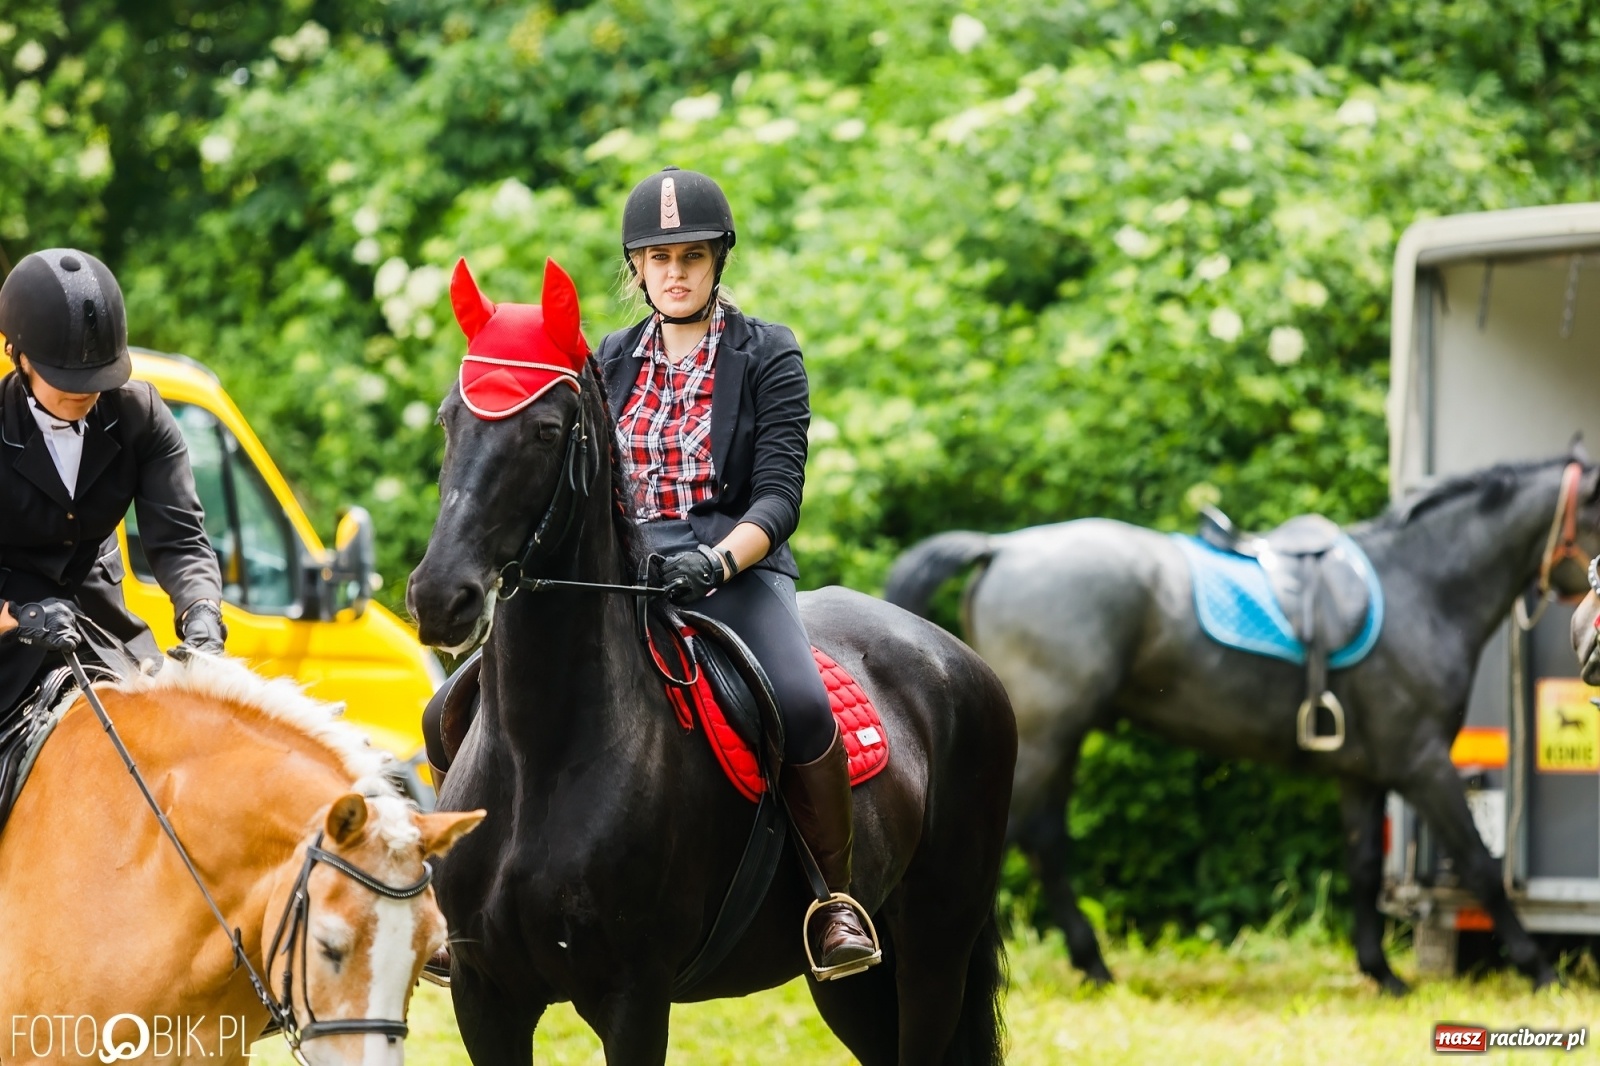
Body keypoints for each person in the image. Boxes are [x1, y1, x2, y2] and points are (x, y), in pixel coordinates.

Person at [598, 166, 879, 979]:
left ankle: (834, 901)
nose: (675, 273)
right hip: (627, 577)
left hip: (734, 568)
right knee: (463, 697)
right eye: (659, 258)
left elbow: (780, 495)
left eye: (691, 255)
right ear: (637, 267)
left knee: (801, 702)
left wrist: (716, 560)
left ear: (718, 259)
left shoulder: (767, 352)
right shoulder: (607, 360)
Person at [0, 248, 225, 721]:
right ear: (17, 356)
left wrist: (201, 611)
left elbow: (180, 540)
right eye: (65, 376)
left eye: (97, 375)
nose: (85, 390)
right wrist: (23, 617)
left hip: (106, 639)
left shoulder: (141, 415)